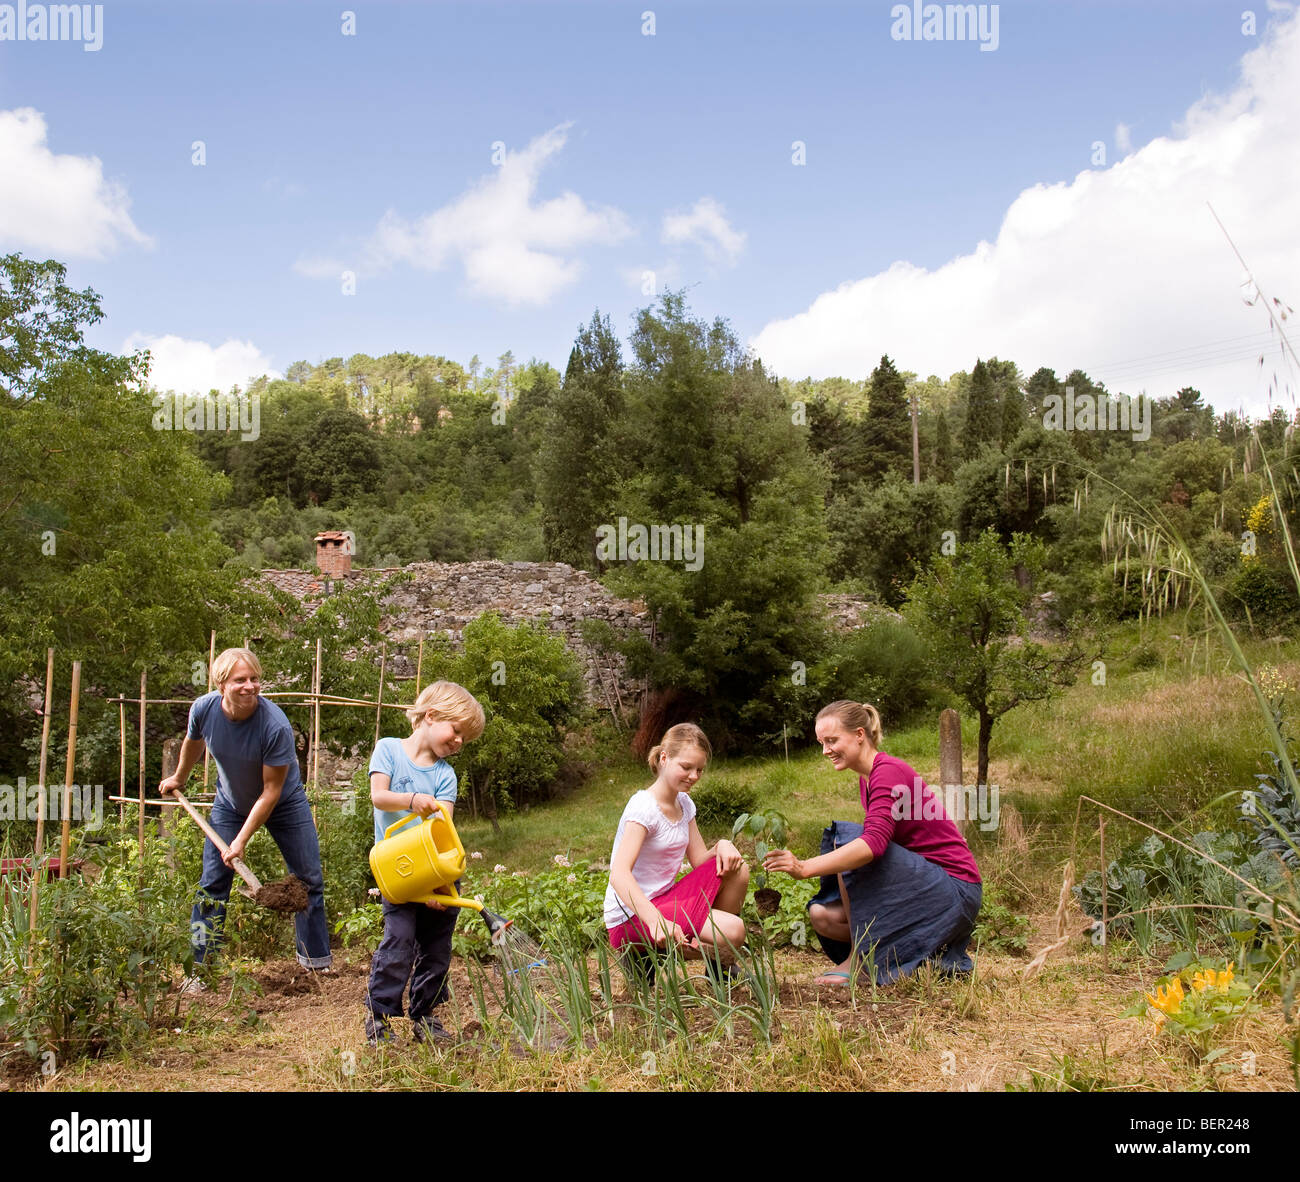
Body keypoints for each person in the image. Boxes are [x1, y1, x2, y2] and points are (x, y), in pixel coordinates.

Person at [764, 700, 982, 986]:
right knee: (823, 916)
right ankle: (913, 960)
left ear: (858, 734)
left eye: (831, 740)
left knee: (849, 840)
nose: (825, 750)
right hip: (924, 885)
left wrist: (804, 867)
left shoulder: (888, 771)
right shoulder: (867, 778)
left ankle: (861, 961)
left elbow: (872, 845)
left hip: (955, 889)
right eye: (821, 742)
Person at [161, 647, 331, 988]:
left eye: (255, 679)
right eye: (241, 680)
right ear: (221, 683)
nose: (250, 686)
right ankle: (200, 970)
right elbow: (194, 742)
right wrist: (179, 777)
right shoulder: (204, 709)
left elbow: (270, 791)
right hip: (230, 803)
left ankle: (315, 965)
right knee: (212, 884)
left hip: (284, 804)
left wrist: (240, 842)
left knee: (308, 879)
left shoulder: (275, 726)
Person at [364, 681, 485, 1046]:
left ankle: (425, 1014)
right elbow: (378, 797)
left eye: (466, 737)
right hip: (399, 871)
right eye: (457, 730)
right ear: (430, 716)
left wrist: (440, 886)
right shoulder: (388, 750)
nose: (460, 741)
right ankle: (379, 1016)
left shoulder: (445, 775)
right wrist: (413, 799)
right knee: (398, 941)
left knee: (436, 949)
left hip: (435, 874)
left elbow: (443, 828)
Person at [604, 723, 748, 964]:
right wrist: (655, 920)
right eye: (686, 767)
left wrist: (723, 844)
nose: (694, 776)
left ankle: (719, 968)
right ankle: (647, 954)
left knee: (737, 867)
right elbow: (618, 874)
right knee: (734, 931)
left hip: (666, 898)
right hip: (632, 916)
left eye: (699, 770)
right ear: (664, 758)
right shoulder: (644, 807)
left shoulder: (684, 803)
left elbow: (701, 860)